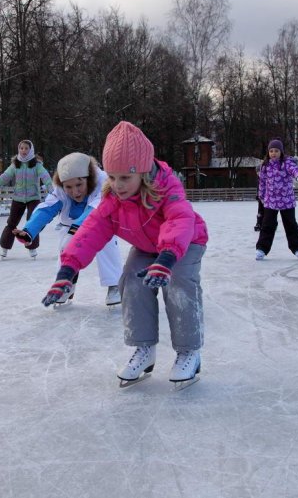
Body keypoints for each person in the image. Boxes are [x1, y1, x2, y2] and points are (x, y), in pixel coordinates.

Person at [41, 121, 209, 387]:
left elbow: (179, 221)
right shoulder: (113, 200)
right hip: (147, 246)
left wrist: (166, 260)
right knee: (130, 280)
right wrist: (67, 271)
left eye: (125, 178)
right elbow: (89, 232)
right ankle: (144, 349)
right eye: (112, 177)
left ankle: (189, 352)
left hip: (185, 243)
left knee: (177, 281)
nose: (117, 185)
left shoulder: (168, 188)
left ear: (142, 172)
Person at [12, 152, 123, 306]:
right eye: (68, 187)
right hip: (71, 224)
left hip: (101, 222)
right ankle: (66, 285)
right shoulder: (60, 189)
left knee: (106, 244)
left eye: (79, 185)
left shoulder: (103, 183)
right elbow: (47, 208)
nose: (74, 191)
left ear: (89, 179)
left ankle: (114, 284)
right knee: (66, 253)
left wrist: (77, 231)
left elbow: (96, 210)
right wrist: (29, 230)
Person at [0, 140, 52, 258]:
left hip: (33, 198)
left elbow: (46, 178)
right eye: (21, 148)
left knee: (33, 222)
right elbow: (3, 178)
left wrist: (53, 192)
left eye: (26, 148)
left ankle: (32, 248)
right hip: (18, 198)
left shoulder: (37, 165)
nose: (24, 151)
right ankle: (4, 247)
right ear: (18, 150)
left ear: (31, 150)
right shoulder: (15, 164)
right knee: (11, 223)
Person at [255, 138, 298, 260]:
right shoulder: (265, 166)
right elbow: (262, 183)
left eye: (276, 151)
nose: (274, 153)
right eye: (271, 151)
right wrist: (262, 197)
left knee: (291, 225)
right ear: (268, 152)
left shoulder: (287, 163)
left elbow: (294, 170)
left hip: (287, 201)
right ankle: (262, 249)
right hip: (270, 202)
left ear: (281, 152)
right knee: (267, 225)